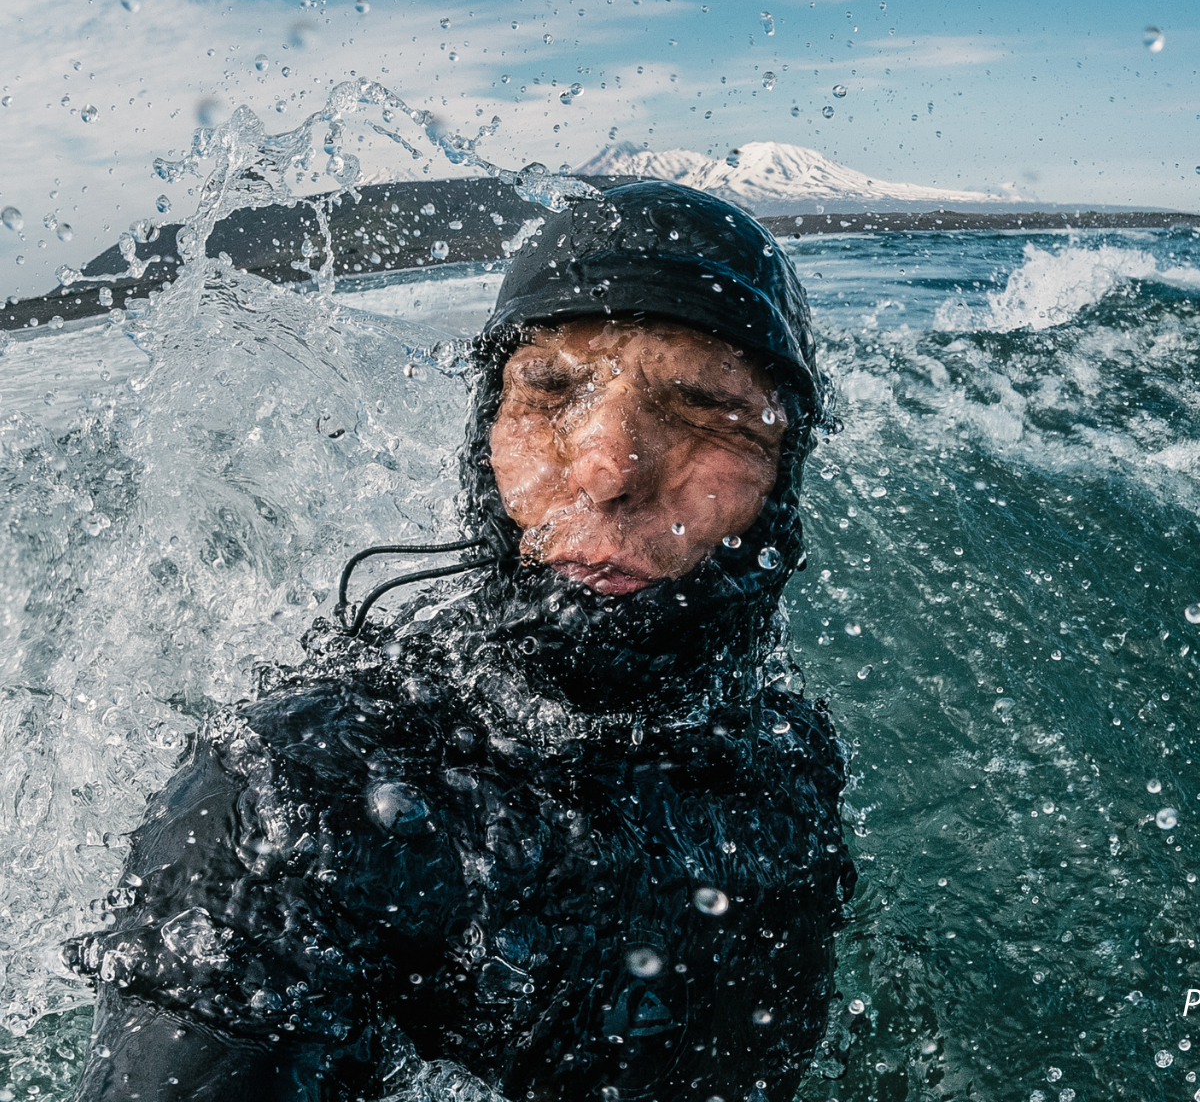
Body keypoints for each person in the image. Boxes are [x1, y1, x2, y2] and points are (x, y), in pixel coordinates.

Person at [67, 181, 856, 1102]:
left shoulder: (784, 760)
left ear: (782, 463)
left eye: (699, 407)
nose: (605, 467)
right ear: (486, 432)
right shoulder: (300, 792)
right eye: (550, 390)